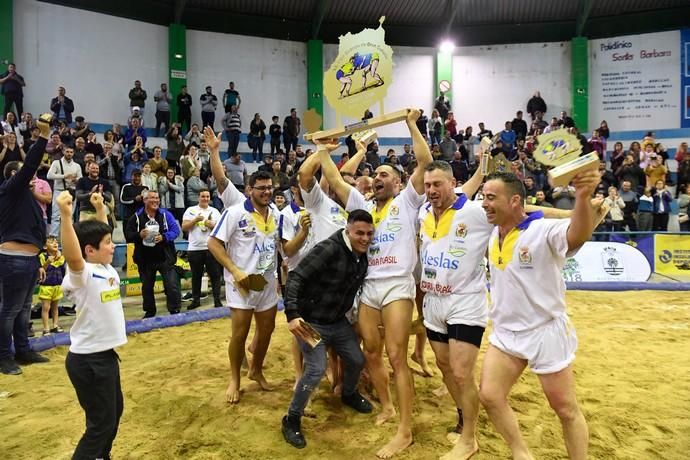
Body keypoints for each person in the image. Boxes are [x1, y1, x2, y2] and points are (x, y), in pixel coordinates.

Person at [317, 109, 432, 458]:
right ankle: (387, 406)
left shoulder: (406, 202)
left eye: (384, 174)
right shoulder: (363, 206)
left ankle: (405, 429)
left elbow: (425, 161)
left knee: (396, 355)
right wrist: (323, 149)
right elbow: (337, 182)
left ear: (398, 183)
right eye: (375, 174)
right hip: (368, 286)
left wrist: (411, 124)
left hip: (397, 285)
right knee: (371, 352)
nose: (377, 177)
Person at [478, 169, 600, 460]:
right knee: (490, 396)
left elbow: (578, 233)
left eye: (491, 197)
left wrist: (582, 197)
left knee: (565, 408)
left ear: (515, 201)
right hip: (506, 332)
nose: (484, 204)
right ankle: (522, 452)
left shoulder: (544, 230)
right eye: (484, 197)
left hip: (545, 331)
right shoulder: (494, 233)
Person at [281, 210, 375, 449]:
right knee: (316, 369)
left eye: (369, 234)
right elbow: (295, 277)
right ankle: (291, 419)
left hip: (337, 321)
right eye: (359, 233)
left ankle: (349, 393)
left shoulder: (361, 255)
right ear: (348, 230)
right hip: (311, 323)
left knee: (356, 359)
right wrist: (293, 315)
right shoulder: (329, 248)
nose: (365, 238)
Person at [56, 190, 127, 460]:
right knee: (99, 425)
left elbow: (99, 235)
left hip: (106, 357)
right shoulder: (82, 274)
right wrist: (65, 215)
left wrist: (100, 210)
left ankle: (101, 456)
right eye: (108, 243)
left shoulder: (106, 268)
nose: (113, 246)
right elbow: (75, 257)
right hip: (89, 361)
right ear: (90, 250)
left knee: (114, 412)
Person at [208, 171, 280, 404]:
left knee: (267, 330)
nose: (266, 191)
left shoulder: (276, 213)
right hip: (242, 283)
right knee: (239, 334)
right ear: (250, 189)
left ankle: (256, 369)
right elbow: (213, 243)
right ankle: (234, 379)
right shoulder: (234, 212)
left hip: (267, 282)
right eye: (261, 188)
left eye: (269, 187)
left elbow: (281, 247)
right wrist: (235, 271)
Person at [0, 113, 51, 375]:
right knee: (10, 309)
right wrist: (43, 136)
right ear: (12, 175)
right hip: (14, 257)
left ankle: (22, 350)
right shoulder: (11, 189)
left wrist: (40, 258)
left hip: (29, 259)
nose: (30, 175)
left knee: (21, 309)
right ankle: (3, 356)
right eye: (22, 173)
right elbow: (30, 164)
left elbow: (34, 228)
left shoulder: (26, 197)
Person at [125, 190, 182, 317]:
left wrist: (164, 237)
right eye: (152, 198)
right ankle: (150, 312)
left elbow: (176, 230)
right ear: (145, 200)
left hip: (165, 257)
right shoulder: (136, 217)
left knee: (172, 284)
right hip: (145, 258)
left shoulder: (166, 215)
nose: (156, 200)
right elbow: (128, 235)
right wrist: (139, 235)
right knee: (147, 287)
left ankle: (175, 310)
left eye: (157, 198)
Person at [182, 189, 223, 309]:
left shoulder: (214, 211)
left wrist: (213, 225)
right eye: (203, 196)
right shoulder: (191, 210)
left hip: (211, 248)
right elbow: (184, 227)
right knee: (196, 276)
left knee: (215, 275)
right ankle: (195, 300)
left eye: (207, 196)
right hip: (194, 248)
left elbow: (221, 228)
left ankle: (217, 300)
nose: (205, 199)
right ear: (198, 197)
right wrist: (195, 220)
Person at [46, 145, 83, 236]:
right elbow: (49, 175)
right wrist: (64, 176)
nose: (69, 154)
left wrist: (76, 180)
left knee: (70, 215)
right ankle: (53, 236)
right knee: (56, 215)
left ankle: (68, 236)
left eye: (71, 152)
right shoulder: (56, 163)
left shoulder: (77, 166)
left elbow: (81, 178)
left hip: (71, 191)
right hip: (59, 190)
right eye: (67, 152)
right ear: (63, 152)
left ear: (73, 153)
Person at [37, 235, 66, 335]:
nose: (55, 243)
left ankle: (55, 325)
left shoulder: (61, 257)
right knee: (46, 307)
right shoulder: (42, 257)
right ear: (45, 247)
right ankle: (46, 328)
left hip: (57, 286)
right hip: (46, 286)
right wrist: (47, 262)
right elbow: (41, 270)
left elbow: (63, 270)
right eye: (51, 242)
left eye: (56, 242)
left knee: (55, 307)